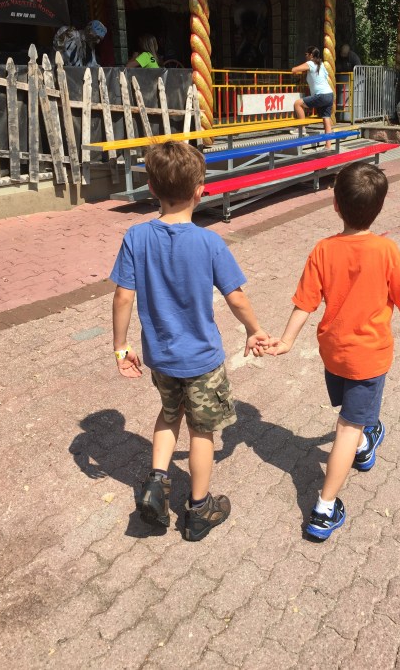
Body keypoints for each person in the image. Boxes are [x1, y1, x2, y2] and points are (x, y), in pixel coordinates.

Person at [110, 141, 269, 541]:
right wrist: (254, 329)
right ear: (201, 190)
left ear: (150, 187)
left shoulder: (136, 237)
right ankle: (199, 509)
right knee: (202, 431)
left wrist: (120, 346)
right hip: (202, 360)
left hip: (160, 357)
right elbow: (235, 296)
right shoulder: (210, 242)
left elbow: (123, 296)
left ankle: (157, 482)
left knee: (168, 415)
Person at [263, 161, 400, 540]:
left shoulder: (323, 249)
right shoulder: (386, 250)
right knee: (348, 426)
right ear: (379, 208)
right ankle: (324, 508)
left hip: (333, 353)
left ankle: (366, 444)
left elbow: (305, 303)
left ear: (335, 205)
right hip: (369, 356)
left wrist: (286, 341)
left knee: (355, 412)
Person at [292, 46, 335, 151]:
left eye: (306, 54)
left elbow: (294, 70)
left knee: (297, 104)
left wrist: (299, 72)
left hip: (321, 95)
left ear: (311, 55)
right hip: (329, 94)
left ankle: (302, 128)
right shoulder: (321, 65)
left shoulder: (311, 63)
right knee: (326, 118)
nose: (305, 56)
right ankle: (328, 146)